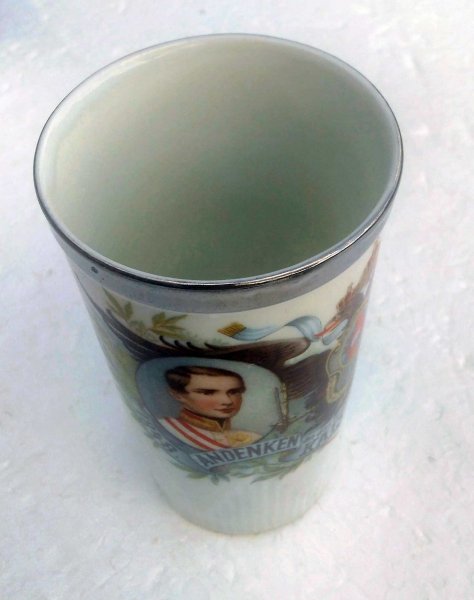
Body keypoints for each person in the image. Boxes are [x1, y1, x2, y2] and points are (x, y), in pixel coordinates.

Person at [158, 365, 261, 450]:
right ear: (178, 395)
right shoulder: (165, 428)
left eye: (234, 392)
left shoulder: (251, 437)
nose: (228, 401)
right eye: (208, 393)